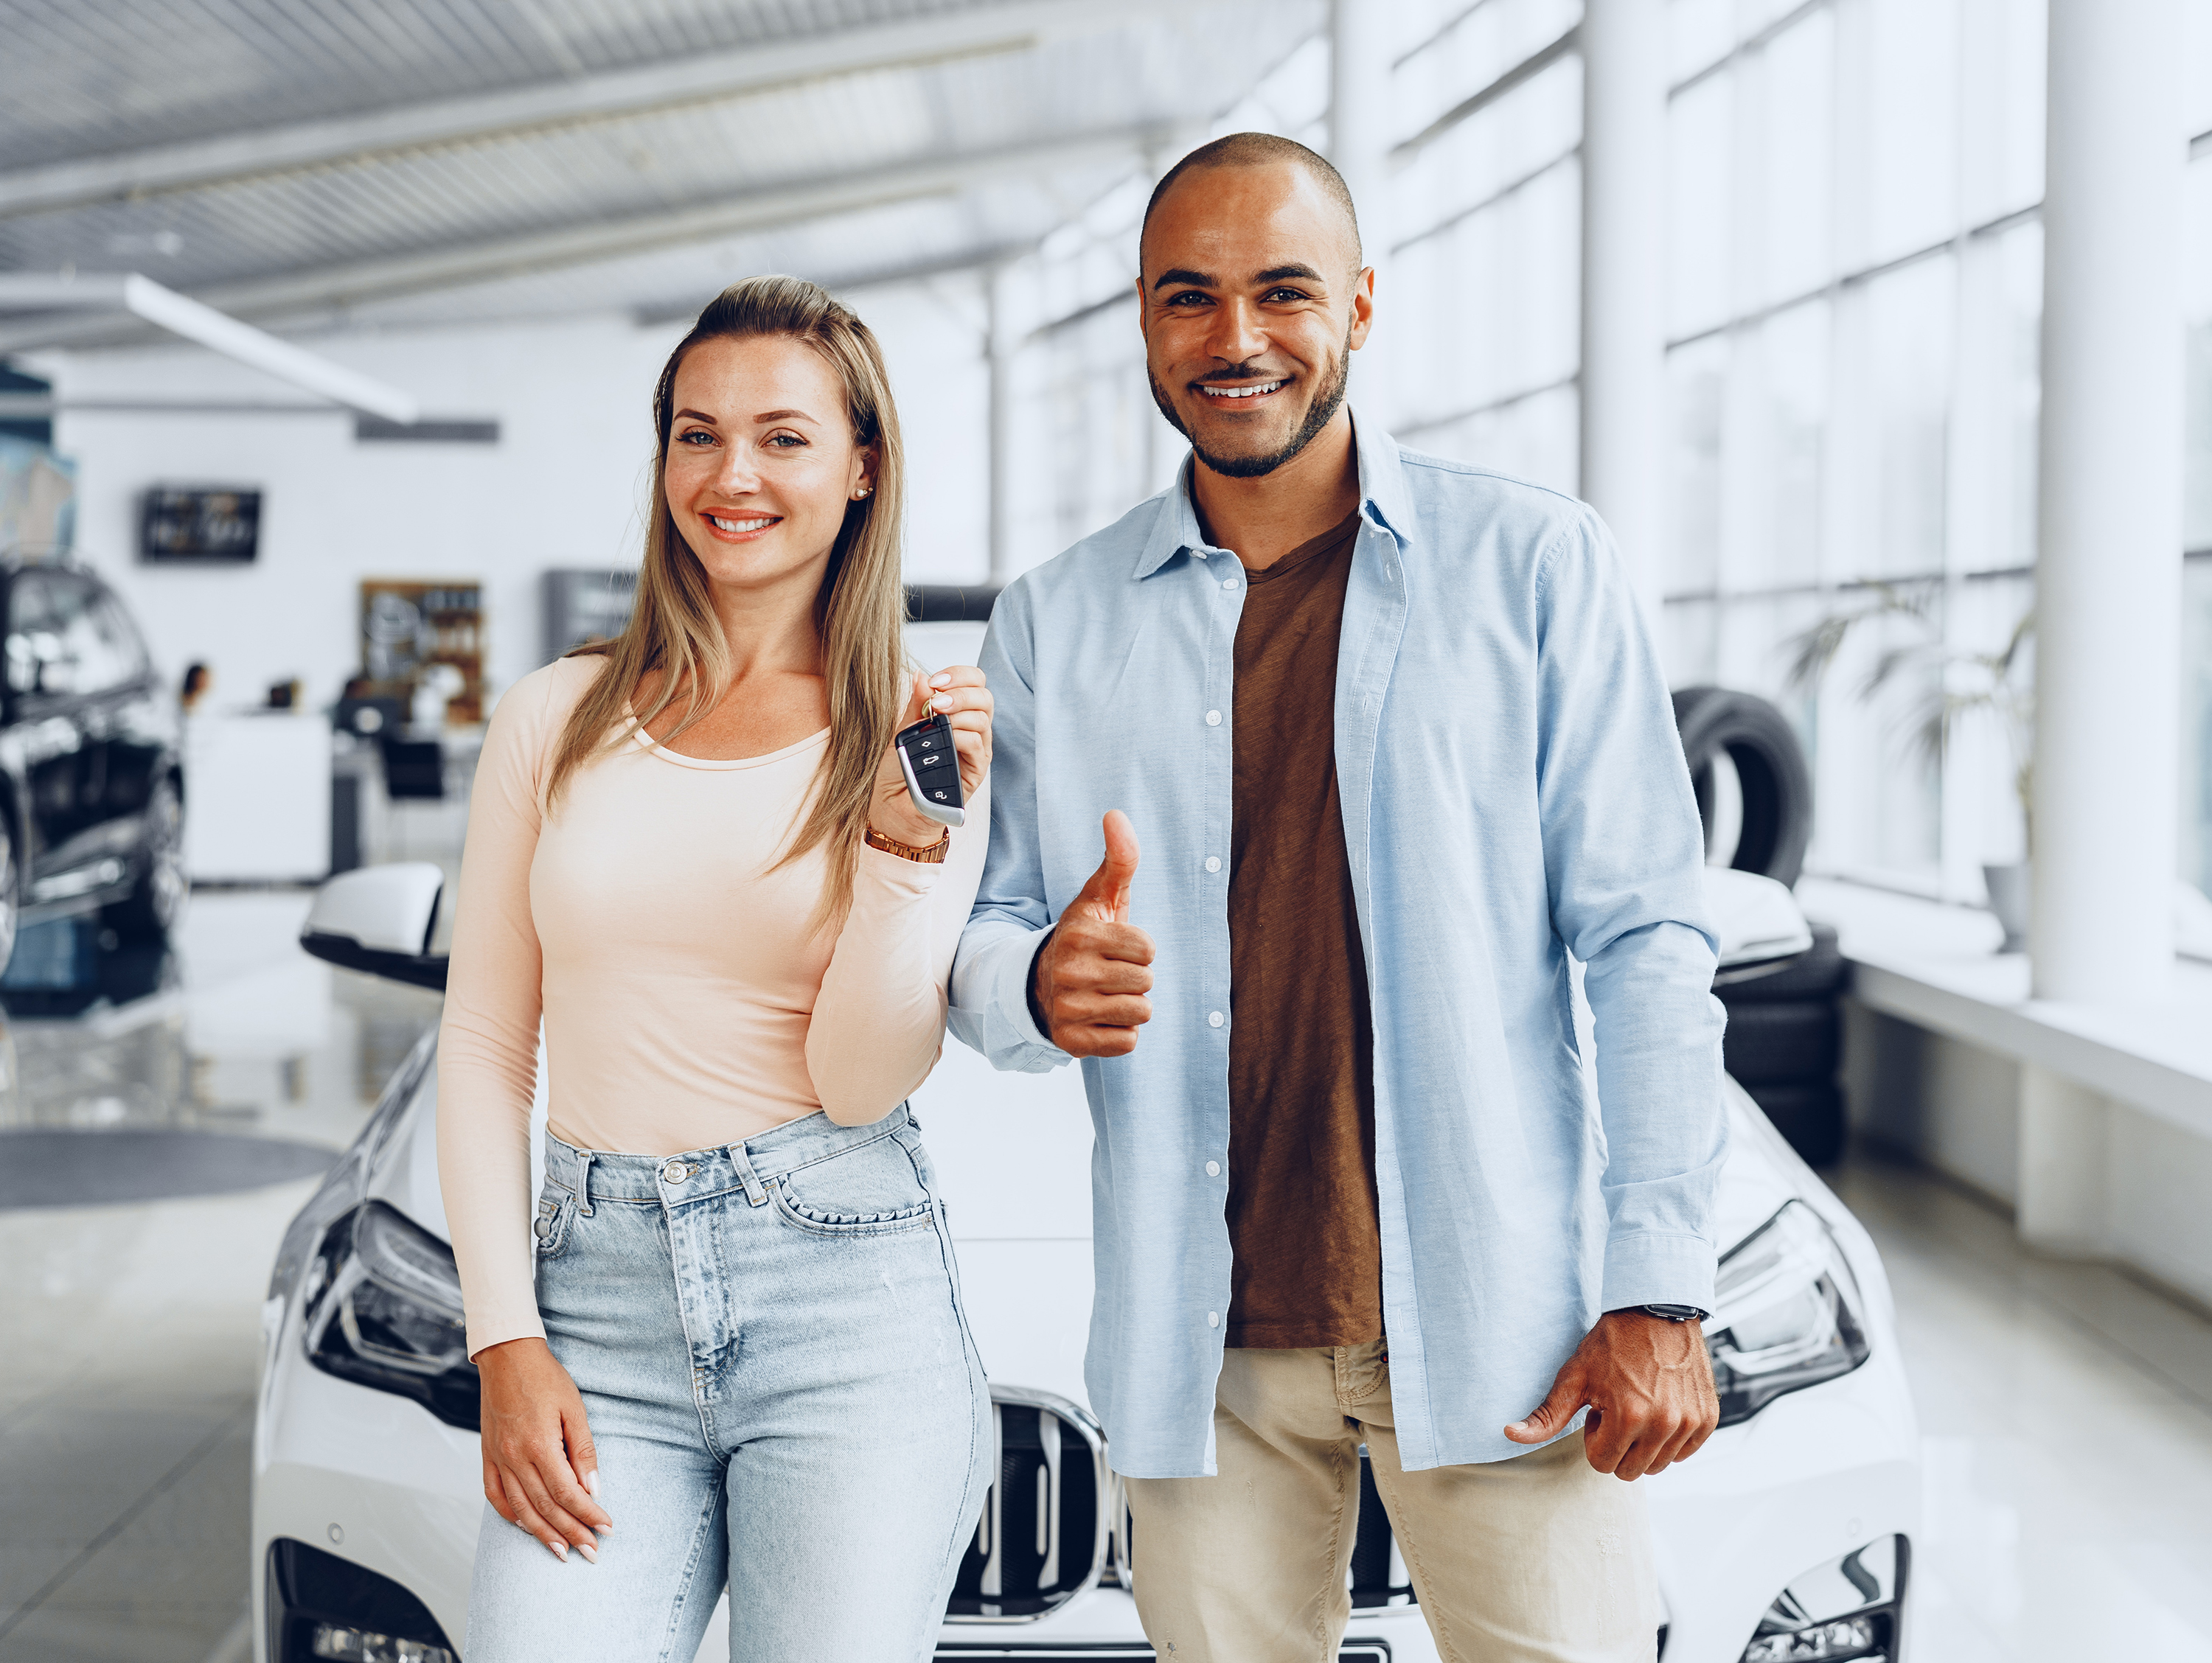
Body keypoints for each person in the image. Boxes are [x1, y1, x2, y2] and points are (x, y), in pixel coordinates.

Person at [950, 134, 1727, 1662]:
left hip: (1508, 1328)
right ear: (1143, 319)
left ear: (1361, 308)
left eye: (1282, 292)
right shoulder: (1058, 616)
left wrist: (1660, 1289)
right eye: (1191, 298)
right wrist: (1031, 984)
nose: (1236, 340)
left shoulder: (1534, 568)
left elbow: (1648, 943)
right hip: (1201, 1349)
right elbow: (984, 931)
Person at [437, 275, 996, 1659]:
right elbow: (485, 1044)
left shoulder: (918, 734)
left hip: (843, 1301)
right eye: (696, 434)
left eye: (783, 437)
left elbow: (863, 1079)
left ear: (863, 467)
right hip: (594, 1297)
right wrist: (504, 1339)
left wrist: (902, 848)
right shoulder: (556, 715)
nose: (730, 474)